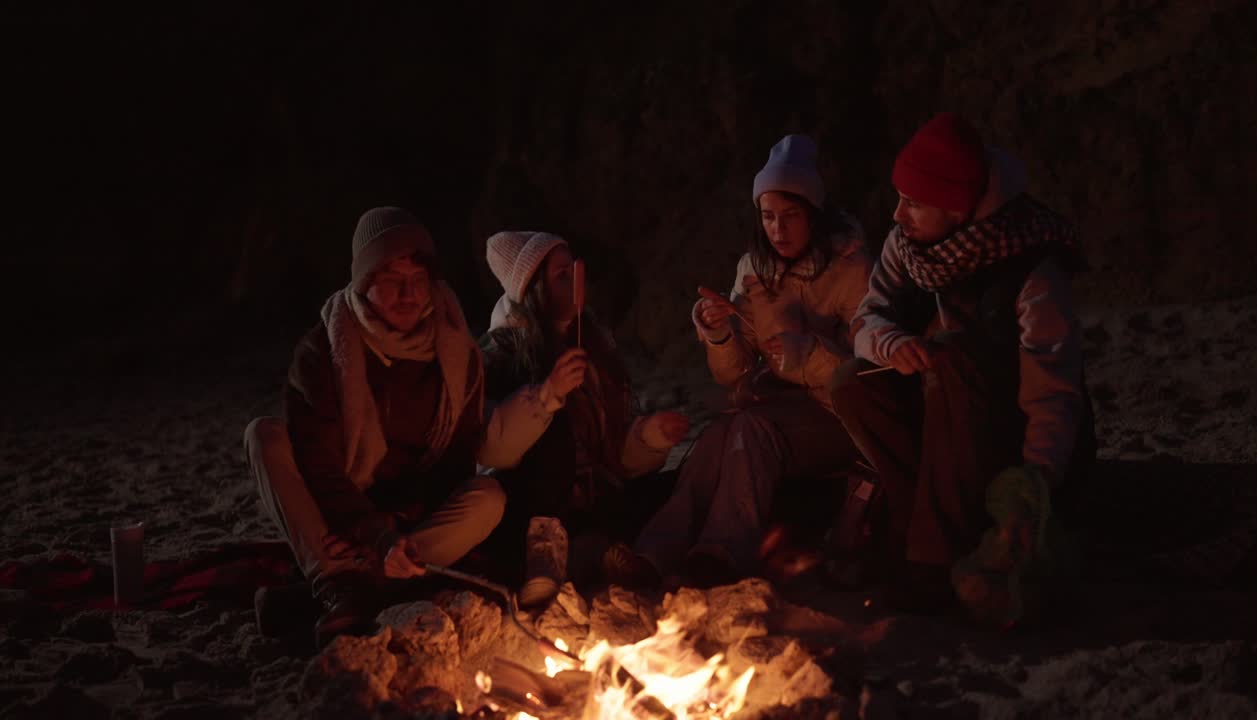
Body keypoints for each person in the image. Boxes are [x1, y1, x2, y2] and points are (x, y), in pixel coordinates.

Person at [827, 112, 1095, 612]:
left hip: (1005, 431)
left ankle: (933, 563)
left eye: (914, 202)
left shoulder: (1030, 265)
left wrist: (1034, 481)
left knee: (952, 355)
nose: (898, 215)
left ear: (956, 207)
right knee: (852, 382)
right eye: (899, 198)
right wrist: (891, 344)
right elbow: (867, 320)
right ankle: (909, 530)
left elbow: (1053, 391)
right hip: (944, 419)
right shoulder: (910, 247)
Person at [610, 134, 874, 587]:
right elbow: (734, 373)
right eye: (768, 217)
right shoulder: (754, 270)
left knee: (750, 430)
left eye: (790, 216)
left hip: (837, 415)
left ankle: (722, 553)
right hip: (775, 408)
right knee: (717, 434)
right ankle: (655, 551)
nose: (778, 230)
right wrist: (718, 332)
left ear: (813, 213)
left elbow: (865, 374)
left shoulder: (851, 269)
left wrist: (808, 356)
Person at [243, 207, 505, 646]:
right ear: (364, 282)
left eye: (418, 279)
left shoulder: (457, 352)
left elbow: (456, 460)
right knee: (264, 436)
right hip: (341, 510)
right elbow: (317, 461)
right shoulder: (324, 351)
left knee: (489, 497)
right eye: (391, 279)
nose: (408, 293)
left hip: (410, 518)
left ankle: (353, 589)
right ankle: (335, 580)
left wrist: (396, 529)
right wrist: (370, 532)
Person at [477, 231, 689, 604]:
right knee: (554, 423)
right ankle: (562, 560)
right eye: (562, 275)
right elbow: (492, 452)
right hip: (529, 513)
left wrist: (649, 438)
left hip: (596, 500)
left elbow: (613, 454)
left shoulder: (592, 345)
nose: (576, 281)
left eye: (575, 270)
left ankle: (600, 553)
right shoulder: (500, 355)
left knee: (680, 486)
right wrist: (548, 395)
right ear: (534, 289)